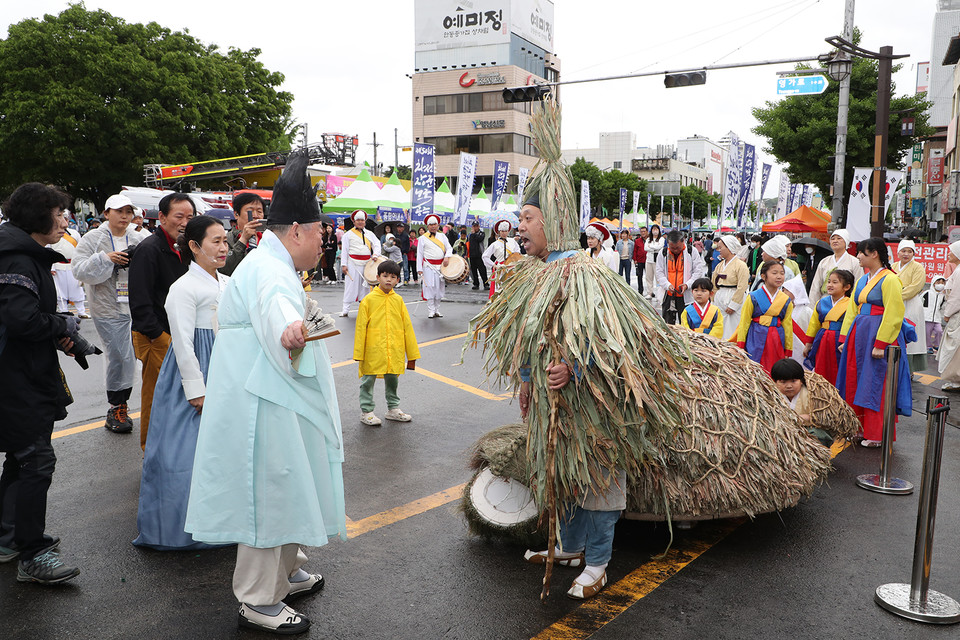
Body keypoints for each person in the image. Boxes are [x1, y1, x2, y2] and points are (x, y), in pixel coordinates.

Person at [184, 151, 343, 635]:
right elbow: (278, 315)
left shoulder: (267, 262)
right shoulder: (271, 272)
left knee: (290, 481)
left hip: (269, 395)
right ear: (296, 231)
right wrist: (292, 332)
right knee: (269, 491)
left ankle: (288, 568)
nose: (324, 243)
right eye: (319, 234)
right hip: (262, 402)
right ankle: (257, 599)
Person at [0, 182, 81, 584]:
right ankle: (33, 554)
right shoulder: (16, 257)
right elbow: (22, 320)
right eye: (60, 212)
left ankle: (8, 538)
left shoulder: (19, 251)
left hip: (22, 373)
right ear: (40, 216)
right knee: (35, 460)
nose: (65, 219)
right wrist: (61, 323)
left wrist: (60, 333)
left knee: (21, 458)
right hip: (16, 380)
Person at [134, 215, 230, 550]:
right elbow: (183, 343)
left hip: (225, 368)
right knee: (184, 453)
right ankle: (181, 531)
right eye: (215, 241)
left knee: (222, 453)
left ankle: (224, 523)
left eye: (225, 240)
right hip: (196, 373)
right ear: (193, 246)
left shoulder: (227, 283)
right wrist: (197, 389)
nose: (223, 247)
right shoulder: (182, 288)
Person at [72, 193, 144, 433]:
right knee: (119, 356)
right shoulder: (93, 238)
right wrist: (106, 259)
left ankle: (131, 403)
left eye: (128, 212)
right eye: (118, 211)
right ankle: (117, 406)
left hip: (136, 305)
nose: (124, 216)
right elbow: (78, 269)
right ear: (106, 213)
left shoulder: (139, 236)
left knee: (135, 357)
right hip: (106, 306)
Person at [129, 193, 193, 449]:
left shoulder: (186, 247)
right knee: (157, 394)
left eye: (190, 217)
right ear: (162, 217)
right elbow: (140, 301)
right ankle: (151, 449)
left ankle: (175, 449)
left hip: (179, 332)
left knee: (181, 393)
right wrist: (157, 335)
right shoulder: (149, 249)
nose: (185, 222)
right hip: (157, 335)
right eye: (179, 216)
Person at [836, 238, 914, 447]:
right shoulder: (863, 279)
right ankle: (859, 428)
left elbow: (895, 313)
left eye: (862, 252)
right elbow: (852, 310)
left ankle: (877, 433)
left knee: (876, 382)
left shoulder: (890, 279)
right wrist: (845, 338)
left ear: (874, 254)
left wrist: (881, 343)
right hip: (860, 333)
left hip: (877, 334)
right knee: (856, 379)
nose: (859, 256)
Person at [354, 259, 420, 426]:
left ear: (398, 280)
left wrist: (411, 354)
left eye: (393, 276)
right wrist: (358, 353)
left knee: (393, 378)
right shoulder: (368, 300)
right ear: (377, 277)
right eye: (385, 276)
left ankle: (393, 409)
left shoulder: (398, 300)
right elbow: (361, 328)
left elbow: (407, 327)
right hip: (373, 349)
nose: (388, 280)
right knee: (368, 379)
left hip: (394, 348)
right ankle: (366, 411)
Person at [736, 260, 793, 374]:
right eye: (774, 273)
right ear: (763, 276)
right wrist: (741, 345)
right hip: (756, 336)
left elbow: (787, 324)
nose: (779, 277)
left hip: (777, 338)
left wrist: (788, 348)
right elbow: (744, 322)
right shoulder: (753, 297)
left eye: (782, 273)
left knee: (776, 369)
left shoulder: (785, 300)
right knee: (756, 369)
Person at [803, 269, 854, 386]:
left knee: (839, 370)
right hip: (822, 340)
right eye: (829, 282)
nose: (830, 285)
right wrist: (808, 344)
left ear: (846, 287)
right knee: (822, 369)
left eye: (835, 282)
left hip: (839, 340)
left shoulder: (851, 304)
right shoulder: (821, 302)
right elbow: (814, 324)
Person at [769, 359, 833, 447]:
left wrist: (805, 418)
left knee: (818, 435)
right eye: (783, 382)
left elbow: (822, 417)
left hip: (808, 429)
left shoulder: (811, 395)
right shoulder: (772, 396)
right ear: (775, 383)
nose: (789, 386)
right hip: (783, 430)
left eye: (793, 381)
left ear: (801, 381)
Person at [655, 229, 706, 325]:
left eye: (677, 247)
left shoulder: (692, 251)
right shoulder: (663, 253)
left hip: (686, 295)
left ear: (683, 241)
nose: (675, 250)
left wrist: (687, 285)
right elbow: (659, 272)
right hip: (668, 295)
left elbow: (698, 272)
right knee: (668, 324)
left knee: (687, 324)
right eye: (672, 248)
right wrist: (667, 285)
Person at [893, 239, 928, 371]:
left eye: (909, 251)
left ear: (913, 253)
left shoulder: (918, 267)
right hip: (896, 303)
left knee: (911, 332)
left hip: (911, 303)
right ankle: (896, 364)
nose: (906, 254)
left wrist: (896, 295)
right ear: (898, 252)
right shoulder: (894, 266)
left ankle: (910, 368)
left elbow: (916, 287)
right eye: (903, 251)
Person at [339, 210, 380, 317]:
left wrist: (375, 254)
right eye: (358, 220)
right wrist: (344, 265)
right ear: (354, 221)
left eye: (362, 220)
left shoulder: (370, 234)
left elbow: (377, 244)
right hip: (352, 263)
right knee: (350, 285)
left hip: (367, 263)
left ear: (365, 222)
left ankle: (364, 308)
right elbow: (345, 250)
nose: (360, 222)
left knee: (366, 287)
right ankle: (345, 309)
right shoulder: (348, 234)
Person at [808, 229, 863, 307]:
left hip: (846, 303)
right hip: (825, 302)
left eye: (839, 238)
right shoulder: (824, 261)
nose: (835, 241)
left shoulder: (854, 262)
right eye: (832, 239)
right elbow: (816, 286)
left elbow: (857, 285)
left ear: (846, 241)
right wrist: (812, 307)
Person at [711, 235, 750, 341]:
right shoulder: (719, 265)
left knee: (733, 328)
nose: (719, 250)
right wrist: (713, 299)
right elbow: (713, 283)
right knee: (720, 326)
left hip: (733, 296)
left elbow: (742, 286)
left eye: (721, 247)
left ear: (729, 247)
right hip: (720, 296)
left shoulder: (741, 265)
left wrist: (734, 305)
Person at [221, 192, 266, 277]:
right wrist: (243, 240)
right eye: (250, 211)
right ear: (236, 214)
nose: (255, 216)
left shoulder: (267, 238)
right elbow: (225, 269)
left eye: (259, 211)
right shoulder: (227, 238)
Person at [417, 213, 453, 318]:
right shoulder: (422, 238)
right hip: (428, 266)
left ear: (438, 225)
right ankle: (431, 310)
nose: (433, 226)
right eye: (431, 224)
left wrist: (447, 257)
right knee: (430, 288)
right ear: (427, 226)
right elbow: (419, 254)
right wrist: (419, 269)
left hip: (440, 266)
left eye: (435, 224)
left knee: (439, 288)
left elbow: (449, 248)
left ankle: (437, 309)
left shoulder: (442, 236)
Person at [48, 222, 88, 318]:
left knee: (77, 288)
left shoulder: (74, 233)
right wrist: (51, 267)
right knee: (60, 291)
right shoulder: (51, 233)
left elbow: (81, 248)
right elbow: (48, 250)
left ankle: (81, 311)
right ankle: (63, 311)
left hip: (72, 265)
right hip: (57, 265)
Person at [937, 242, 960, 390]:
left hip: (957, 315)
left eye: (951, 252)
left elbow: (956, 297)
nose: (948, 254)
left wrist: (947, 313)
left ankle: (955, 380)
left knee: (954, 348)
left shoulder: (959, 271)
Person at [481, 219, 521, 298]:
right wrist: (493, 265)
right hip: (500, 268)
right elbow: (485, 256)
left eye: (506, 231)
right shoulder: (495, 244)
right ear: (499, 231)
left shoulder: (512, 242)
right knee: (499, 289)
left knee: (511, 288)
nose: (504, 233)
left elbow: (518, 252)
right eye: (502, 231)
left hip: (511, 267)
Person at [924, 274, 947, 354]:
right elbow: (921, 302)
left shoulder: (943, 296)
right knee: (927, 332)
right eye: (938, 282)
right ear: (933, 283)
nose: (940, 284)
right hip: (927, 317)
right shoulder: (927, 293)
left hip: (937, 318)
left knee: (939, 331)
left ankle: (936, 345)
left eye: (942, 283)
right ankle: (928, 346)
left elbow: (943, 307)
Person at [643, 225, 664, 299]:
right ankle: (650, 292)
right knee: (649, 277)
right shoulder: (648, 239)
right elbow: (645, 248)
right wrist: (653, 248)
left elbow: (659, 247)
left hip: (657, 260)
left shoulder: (661, 239)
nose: (655, 230)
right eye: (653, 229)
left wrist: (651, 247)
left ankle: (659, 293)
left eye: (656, 229)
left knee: (657, 277)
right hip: (649, 260)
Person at [467, 220, 489, 290]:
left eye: (476, 226)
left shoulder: (481, 233)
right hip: (472, 255)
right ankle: (476, 283)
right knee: (473, 271)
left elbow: (479, 239)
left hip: (479, 255)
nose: (475, 228)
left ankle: (486, 284)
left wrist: (473, 234)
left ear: (479, 226)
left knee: (482, 270)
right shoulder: (470, 235)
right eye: (474, 226)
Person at [632, 227, 648, 295]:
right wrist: (635, 259)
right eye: (641, 231)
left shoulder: (650, 240)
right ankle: (640, 290)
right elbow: (635, 250)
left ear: (647, 232)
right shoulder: (637, 241)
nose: (643, 233)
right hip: (640, 260)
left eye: (644, 231)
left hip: (648, 260)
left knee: (649, 276)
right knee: (639, 276)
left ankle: (649, 291)